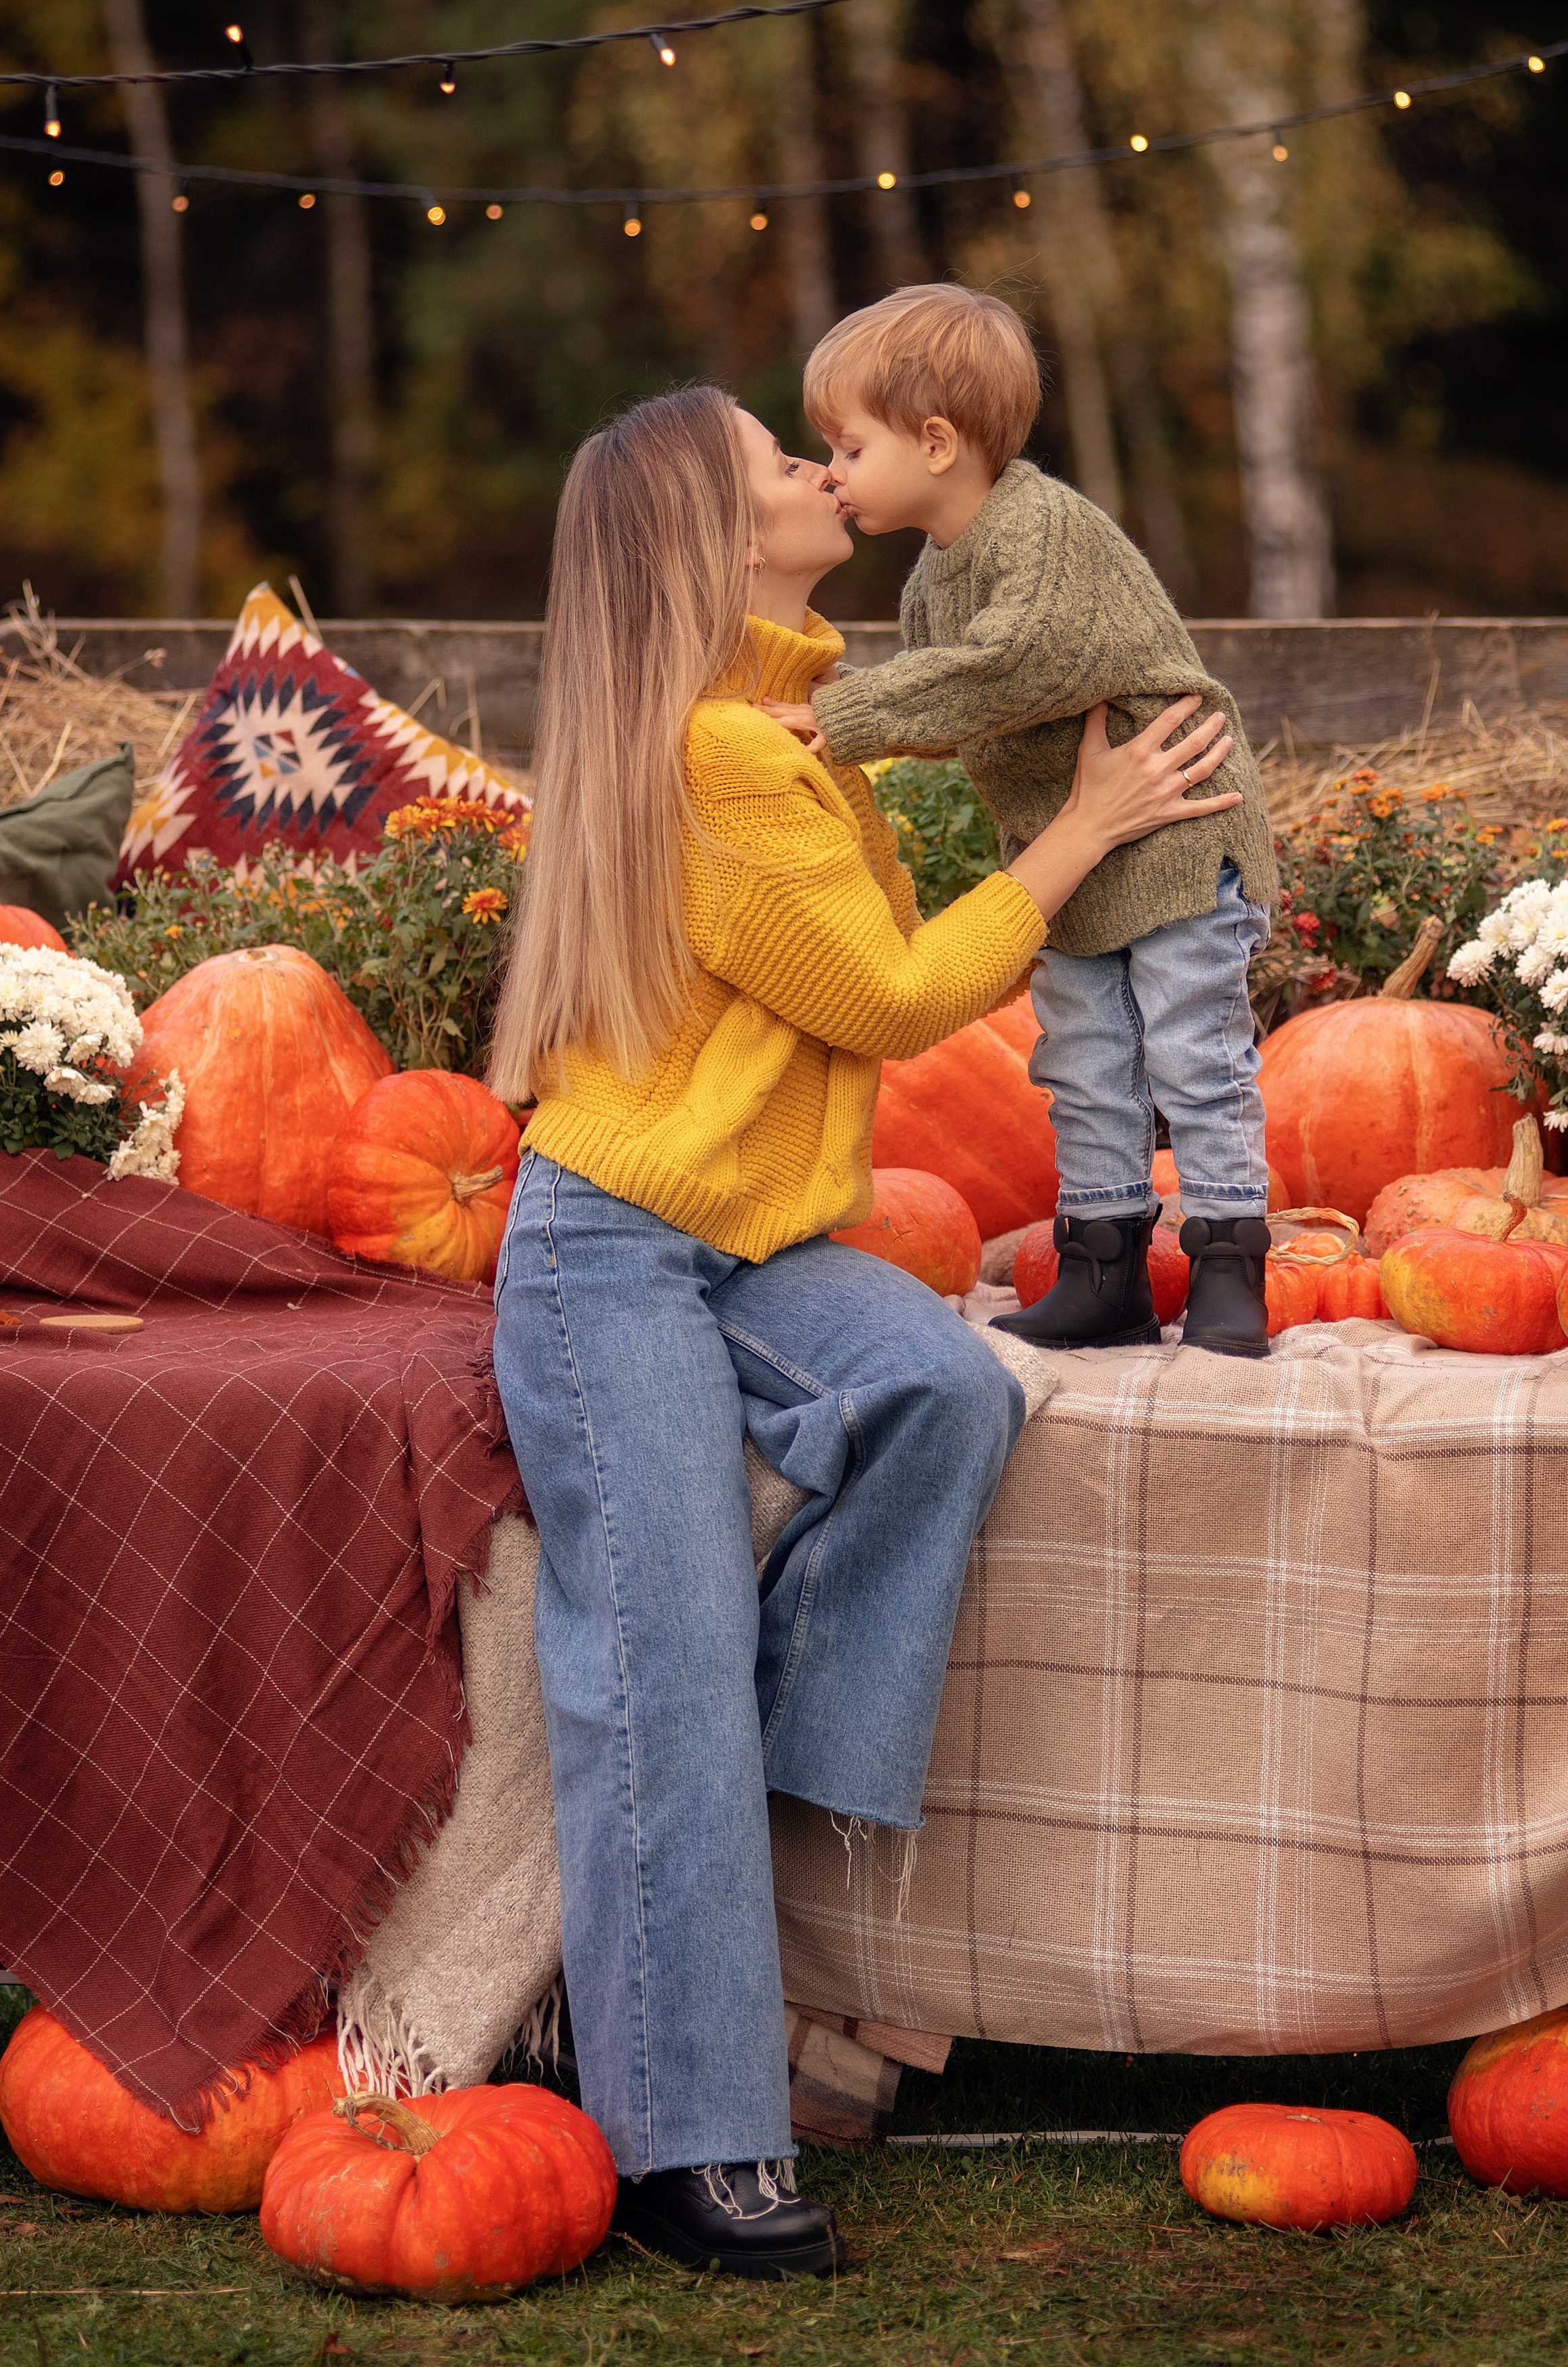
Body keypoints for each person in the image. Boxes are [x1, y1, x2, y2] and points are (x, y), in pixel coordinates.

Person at [487, 384, 1240, 2279]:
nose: (828, 476)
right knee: (650, 1663)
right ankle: (688, 2148)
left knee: (936, 1387)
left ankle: (746, 1770)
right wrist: (1085, 831)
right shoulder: (726, 756)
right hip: (613, 1257)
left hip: (748, 1235)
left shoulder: (775, 730)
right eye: (785, 466)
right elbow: (899, 1000)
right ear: (709, 542)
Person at [763, 284, 1280, 1358]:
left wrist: (844, 714)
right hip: (1078, 858)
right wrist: (868, 728)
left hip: (1173, 829)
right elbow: (968, 704)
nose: (834, 474)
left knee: (1193, 1053)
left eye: (849, 448)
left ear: (938, 442)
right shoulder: (936, 579)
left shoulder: (1042, 531)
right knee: (1085, 1063)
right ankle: (1105, 1268)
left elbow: (1021, 666)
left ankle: (1231, 1262)